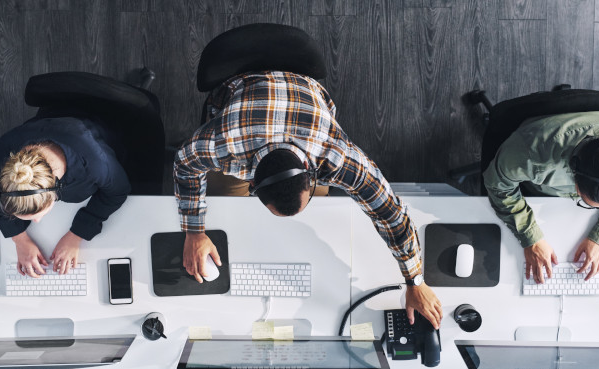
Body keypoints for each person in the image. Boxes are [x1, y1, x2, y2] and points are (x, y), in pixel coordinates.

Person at [174, 71, 443, 328]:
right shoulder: (223, 145)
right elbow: (184, 163)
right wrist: (194, 232)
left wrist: (415, 281)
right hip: (240, 90)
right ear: (251, 183)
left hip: (305, 105)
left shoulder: (334, 154)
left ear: (312, 176)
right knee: (225, 205)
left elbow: (391, 214)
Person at [483, 110, 599, 283]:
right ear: (575, 184)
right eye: (587, 203)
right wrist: (531, 238)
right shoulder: (531, 154)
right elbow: (498, 186)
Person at [0, 116, 131, 278]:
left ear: (55, 191)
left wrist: (77, 234)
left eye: (38, 214)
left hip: (106, 125)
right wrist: (19, 239)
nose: (36, 221)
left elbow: (118, 190)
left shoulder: (95, 165)